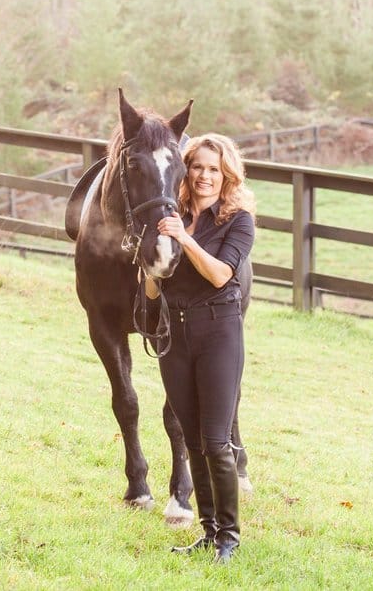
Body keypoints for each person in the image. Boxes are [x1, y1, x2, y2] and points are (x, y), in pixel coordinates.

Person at [143, 133, 255, 564]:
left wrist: (185, 241)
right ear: (186, 171)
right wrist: (150, 263)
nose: (205, 176)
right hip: (177, 337)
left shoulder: (237, 221)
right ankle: (208, 532)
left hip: (218, 335)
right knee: (191, 440)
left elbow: (221, 275)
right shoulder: (172, 214)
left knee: (215, 440)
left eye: (214, 168)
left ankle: (229, 537)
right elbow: (154, 290)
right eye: (198, 167)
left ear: (227, 174)